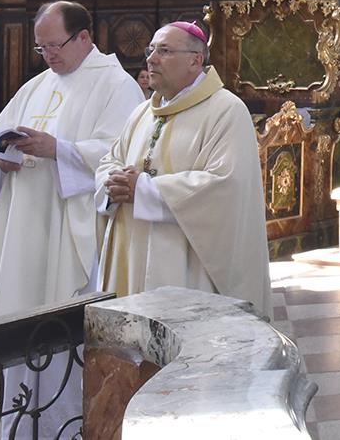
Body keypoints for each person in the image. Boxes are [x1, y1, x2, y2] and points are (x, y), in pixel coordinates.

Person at [0, 1, 144, 437]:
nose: (49, 55)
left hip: (71, 229)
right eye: (41, 48)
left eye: (55, 45)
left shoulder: (116, 85)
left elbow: (122, 152)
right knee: (20, 323)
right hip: (25, 227)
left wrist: (60, 150)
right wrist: (2, 158)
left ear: (84, 37)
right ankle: (18, 424)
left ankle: (65, 426)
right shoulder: (36, 85)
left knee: (61, 331)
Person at [96, 21, 271, 317]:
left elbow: (225, 185)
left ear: (195, 60)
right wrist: (112, 182)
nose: (150, 58)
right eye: (151, 50)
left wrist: (144, 189)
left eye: (164, 50)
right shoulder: (142, 112)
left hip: (183, 261)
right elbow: (110, 160)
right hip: (131, 249)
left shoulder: (226, 110)